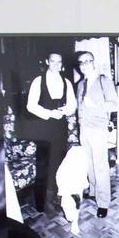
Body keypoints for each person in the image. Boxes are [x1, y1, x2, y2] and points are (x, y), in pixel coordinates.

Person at [19, 52, 76, 219]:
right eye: (53, 61)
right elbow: (31, 106)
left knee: (59, 163)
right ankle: (43, 203)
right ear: (47, 62)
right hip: (43, 128)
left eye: (59, 61)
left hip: (60, 127)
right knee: (45, 164)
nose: (56, 64)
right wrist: (50, 113)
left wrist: (66, 110)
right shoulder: (38, 81)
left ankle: (57, 198)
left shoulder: (66, 82)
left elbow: (73, 104)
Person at [74, 50, 119, 219]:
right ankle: (93, 191)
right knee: (89, 163)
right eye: (81, 62)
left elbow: (115, 105)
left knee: (100, 166)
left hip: (98, 129)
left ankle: (103, 203)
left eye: (88, 61)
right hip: (83, 129)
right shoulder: (80, 84)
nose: (85, 64)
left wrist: (95, 105)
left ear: (94, 63)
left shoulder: (103, 81)